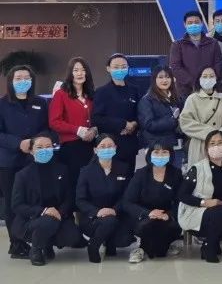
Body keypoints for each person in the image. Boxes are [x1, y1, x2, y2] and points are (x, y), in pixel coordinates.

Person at [10, 132, 84, 266]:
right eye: (39, 147)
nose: (45, 150)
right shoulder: (22, 175)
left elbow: (69, 197)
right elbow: (17, 205)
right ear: (31, 151)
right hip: (32, 220)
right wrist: (44, 211)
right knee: (48, 220)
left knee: (73, 236)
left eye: (48, 146)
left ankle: (46, 244)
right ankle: (36, 249)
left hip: (59, 216)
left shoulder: (62, 170)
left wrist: (59, 212)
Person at [0, 65, 48, 259]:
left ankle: (38, 240)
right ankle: (17, 244)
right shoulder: (2, 104)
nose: (23, 81)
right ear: (11, 81)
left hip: (34, 160)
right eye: (18, 78)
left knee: (34, 200)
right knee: (13, 203)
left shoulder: (40, 102)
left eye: (26, 78)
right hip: (9, 162)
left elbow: (46, 128)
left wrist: (38, 142)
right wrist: (18, 143)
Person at [177, 130, 222, 263]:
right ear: (206, 148)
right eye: (212, 144)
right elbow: (182, 195)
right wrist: (204, 202)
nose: (216, 146)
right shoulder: (197, 168)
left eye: (220, 143)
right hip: (197, 213)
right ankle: (209, 246)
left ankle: (213, 240)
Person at [75, 133, 134, 262]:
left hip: (118, 213)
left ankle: (110, 242)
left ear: (115, 148)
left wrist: (114, 210)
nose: (107, 149)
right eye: (102, 146)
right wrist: (97, 212)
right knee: (109, 221)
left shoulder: (124, 168)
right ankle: (93, 245)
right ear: (95, 150)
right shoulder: (86, 171)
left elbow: (127, 195)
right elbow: (80, 200)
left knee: (124, 238)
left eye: (110, 146)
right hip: (93, 217)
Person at [121, 142, 183, 263]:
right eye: (156, 152)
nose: (160, 155)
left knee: (160, 253)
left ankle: (162, 245)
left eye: (164, 152)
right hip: (145, 217)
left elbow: (180, 201)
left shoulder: (176, 173)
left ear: (170, 155)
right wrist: (148, 213)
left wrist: (169, 215)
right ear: (150, 154)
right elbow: (127, 202)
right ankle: (141, 248)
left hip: (166, 217)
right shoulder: (141, 173)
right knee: (148, 231)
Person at [49, 57, 97, 187]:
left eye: (83, 70)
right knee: (75, 182)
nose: (80, 73)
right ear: (70, 73)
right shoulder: (61, 94)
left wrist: (94, 129)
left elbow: (98, 117)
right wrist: (77, 130)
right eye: (76, 70)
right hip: (71, 146)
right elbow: (54, 122)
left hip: (92, 144)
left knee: (91, 182)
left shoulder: (92, 94)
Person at [93, 53, 141, 173]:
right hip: (110, 146)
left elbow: (140, 114)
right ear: (108, 68)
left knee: (129, 178)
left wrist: (134, 124)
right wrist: (123, 124)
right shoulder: (101, 92)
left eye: (123, 67)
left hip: (130, 144)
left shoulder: (134, 90)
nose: (120, 70)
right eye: (116, 67)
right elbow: (97, 118)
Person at [179, 67, 222, 166]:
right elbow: (185, 122)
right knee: (200, 172)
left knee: (219, 172)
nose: (208, 79)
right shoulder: (192, 98)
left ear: (216, 79)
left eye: (211, 76)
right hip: (199, 144)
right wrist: (210, 132)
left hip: (219, 144)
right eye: (205, 76)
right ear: (199, 79)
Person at [137, 66, 184, 169]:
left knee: (175, 176)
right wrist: (173, 121)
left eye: (167, 77)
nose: (164, 80)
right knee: (158, 177)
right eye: (161, 77)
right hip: (157, 148)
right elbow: (149, 124)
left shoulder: (177, 98)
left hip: (176, 146)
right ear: (154, 79)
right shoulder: (147, 100)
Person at [169, 10, 222, 97]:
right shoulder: (177, 45)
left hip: (209, 89)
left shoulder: (213, 43)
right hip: (185, 92)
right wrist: (195, 83)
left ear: (202, 23)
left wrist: (209, 81)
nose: (193, 25)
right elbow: (176, 68)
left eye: (196, 22)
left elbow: (218, 64)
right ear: (185, 25)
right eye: (190, 23)